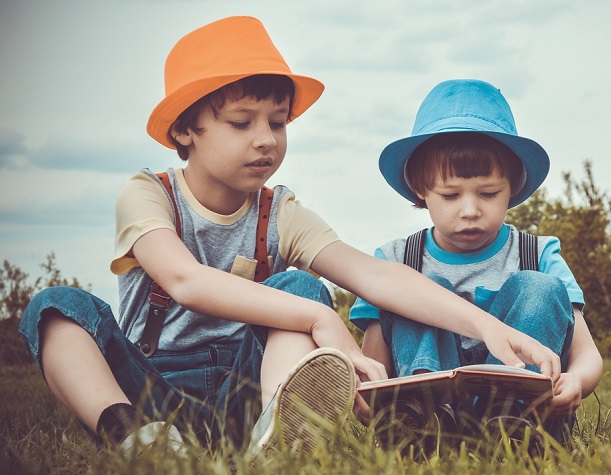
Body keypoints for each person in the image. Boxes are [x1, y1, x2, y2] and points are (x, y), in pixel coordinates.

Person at [17, 18, 562, 457]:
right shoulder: (148, 194)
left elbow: (376, 276)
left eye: (277, 123)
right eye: (241, 123)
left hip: (244, 390)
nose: (266, 140)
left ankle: (278, 429)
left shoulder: (281, 212)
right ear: (184, 129)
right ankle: (133, 437)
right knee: (58, 307)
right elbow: (184, 281)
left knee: (300, 285)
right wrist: (321, 319)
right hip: (150, 387)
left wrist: (488, 327)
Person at [349, 79, 603, 442]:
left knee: (537, 286)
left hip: (526, 417)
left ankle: (512, 419)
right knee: (416, 289)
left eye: (488, 193)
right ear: (421, 190)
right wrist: (370, 397)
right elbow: (374, 367)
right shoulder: (396, 261)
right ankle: (425, 418)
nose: (470, 210)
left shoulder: (537, 254)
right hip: (428, 422)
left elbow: (587, 354)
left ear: (512, 187)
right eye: (450, 195)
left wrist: (576, 380)